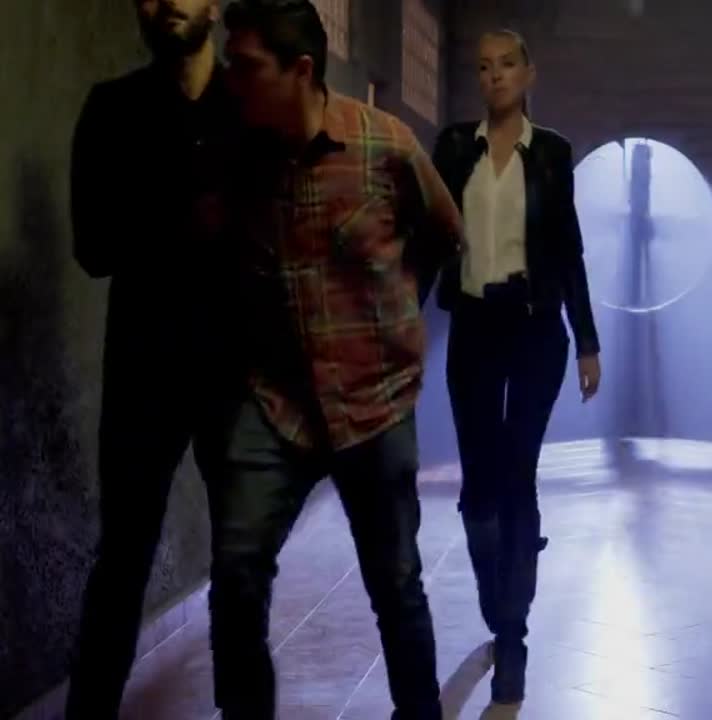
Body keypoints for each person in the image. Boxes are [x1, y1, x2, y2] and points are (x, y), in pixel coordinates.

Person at [213, 2, 463, 719]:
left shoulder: (383, 144)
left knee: (396, 585)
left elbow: (443, 230)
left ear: (300, 70)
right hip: (278, 405)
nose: (233, 80)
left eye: (247, 66)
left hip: (373, 401)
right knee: (236, 572)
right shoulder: (242, 156)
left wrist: (398, 312)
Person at [64, 1, 240, 716]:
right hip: (145, 368)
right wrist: (182, 218)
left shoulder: (253, 108)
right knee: (124, 560)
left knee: (242, 563)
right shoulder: (113, 109)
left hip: (237, 370)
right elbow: (92, 247)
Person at [431, 28, 602, 706]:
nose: (494, 76)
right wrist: (400, 322)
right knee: (478, 487)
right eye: (483, 67)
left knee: (516, 475)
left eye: (506, 64)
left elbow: (569, 250)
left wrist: (587, 341)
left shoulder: (552, 152)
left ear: (529, 73)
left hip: (534, 329)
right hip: (474, 327)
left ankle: (513, 637)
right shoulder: (454, 147)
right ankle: (496, 602)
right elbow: (429, 236)